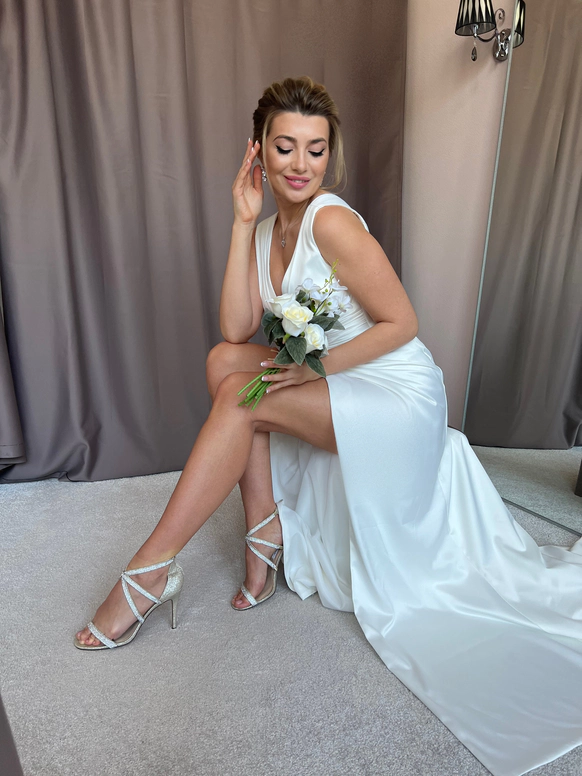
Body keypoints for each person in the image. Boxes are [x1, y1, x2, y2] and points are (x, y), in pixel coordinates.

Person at [75, 77, 582, 776]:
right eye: (285, 147)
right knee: (226, 363)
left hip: (394, 392)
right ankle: (264, 536)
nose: (300, 164)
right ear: (258, 151)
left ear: (329, 154)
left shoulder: (331, 222)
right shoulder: (267, 229)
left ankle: (149, 570)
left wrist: (316, 370)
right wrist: (240, 223)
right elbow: (235, 330)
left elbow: (403, 323)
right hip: (336, 376)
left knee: (242, 395)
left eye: (315, 150)